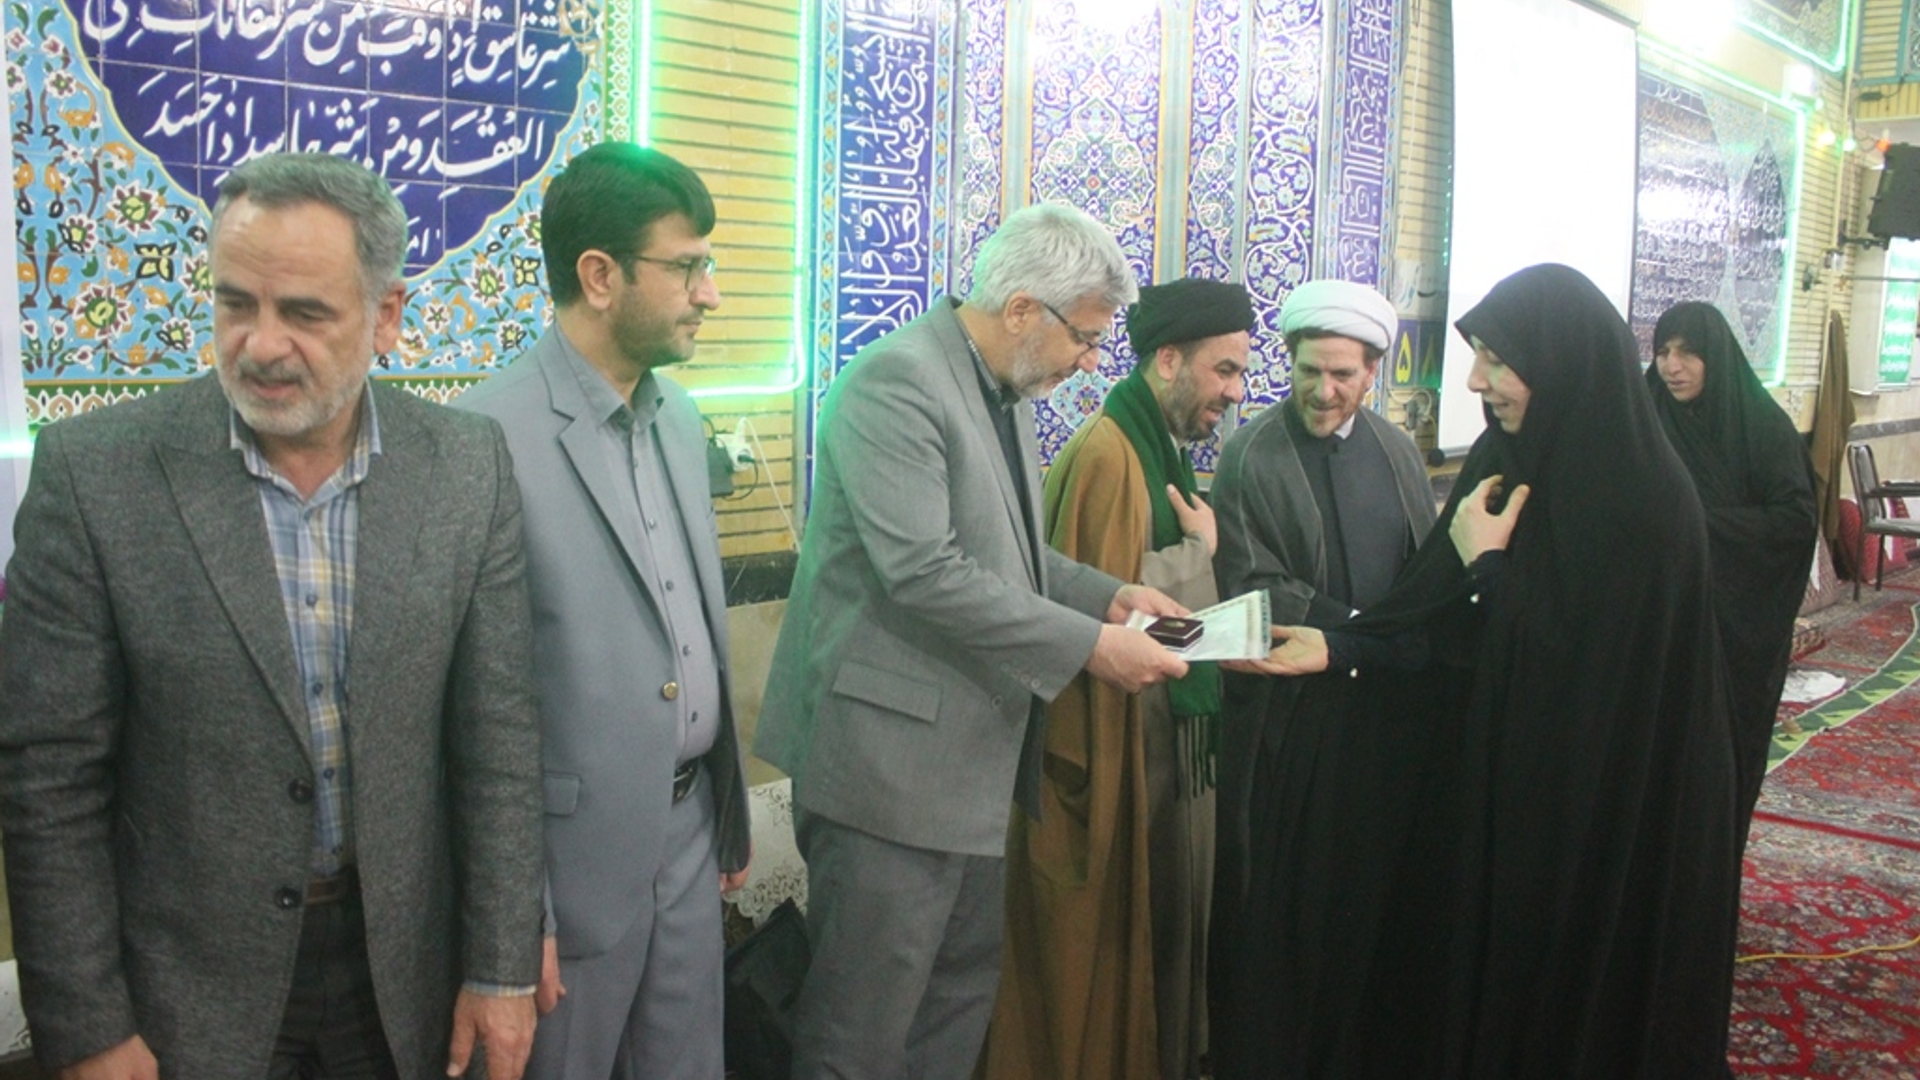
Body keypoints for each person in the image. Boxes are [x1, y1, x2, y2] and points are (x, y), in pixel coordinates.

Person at [0, 152, 545, 1079]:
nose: (260, 344)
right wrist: (87, 1025)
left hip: (400, 974)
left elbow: (498, 739)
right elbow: (48, 779)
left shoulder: (465, 466)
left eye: (304, 313)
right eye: (234, 303)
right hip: (187, 992)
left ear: (386, 316)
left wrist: (500, 968)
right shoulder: (97, 475)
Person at [1253, 264, 1743, 1078]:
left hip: (1592, 827)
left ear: (1562, 366)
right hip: (1500, 804)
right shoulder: (1503, 460)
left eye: (1496, 360)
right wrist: (1343, 647)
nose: (1476, 382)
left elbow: (1580, 686)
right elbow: (1443, 623)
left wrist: (1488, 569)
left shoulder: (1648, 506)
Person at [754, 202, 1190, 1080]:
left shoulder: (1004, 389)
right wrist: (1092, 648)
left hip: (970, 771)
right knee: (861, 1035)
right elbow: (925, 570)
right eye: (1086, 337)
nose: (1090, 362)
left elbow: (1013, 556)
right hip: (886, 774)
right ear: (1023, 309)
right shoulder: (898, 382)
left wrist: (1109, 598)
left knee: (952, 1014)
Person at [454, 142, 752, 1079]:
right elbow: (469, 712)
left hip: (689, 836)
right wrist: (514, 921)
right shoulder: (484, 437)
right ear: (599, 276)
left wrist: (726, 814)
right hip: (567, 872)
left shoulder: (679, 419)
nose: (709, 294)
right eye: (687, 267)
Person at [982, 277, 1253, 1080]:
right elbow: (1104, 611)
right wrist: (1202, 552)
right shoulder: (1109, 455)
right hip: (1114, 756)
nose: (1235, 393)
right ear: (1168, 360)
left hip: (1162, 748)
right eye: (1224, 370)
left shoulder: (1156, 448)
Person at [1204, 279, 1440, 1079]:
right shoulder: (1252, 454)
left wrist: (1379, 645)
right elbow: (1253, 583)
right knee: (1286, 910)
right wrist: (1363, 632)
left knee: (1368, 901)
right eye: (1310, 370)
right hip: (1292, 723)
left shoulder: (1396, 451)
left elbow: (1423, 573)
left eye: (1342, 374)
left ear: (1373, 372)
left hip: (1383, 718)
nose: (1324, 390)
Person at [1649, 301, 1817, 845]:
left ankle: (1710, 869)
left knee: (1720, 757)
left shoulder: (1761, 427)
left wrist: (1696, 523)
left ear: (1716, 357)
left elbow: (1794, 521)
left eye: (1688, 353)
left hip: (1736, 629)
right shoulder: (1644, 418)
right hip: (1661, 624)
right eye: (1663, 351)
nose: (1672, 366)